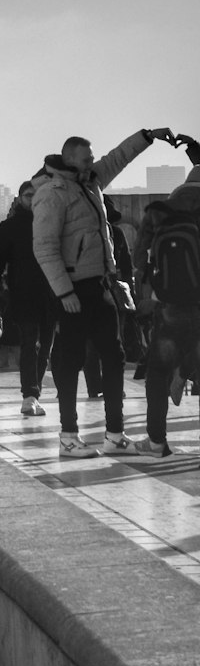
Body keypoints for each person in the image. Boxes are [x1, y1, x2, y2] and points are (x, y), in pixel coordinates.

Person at [33, 126, 177, 458]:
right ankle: (68, 435)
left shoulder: (90, 181)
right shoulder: (53, 193)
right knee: (69, 361)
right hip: (73, 289)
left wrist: (147, 136)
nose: (93, 163)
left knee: (113, 357)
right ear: (70, 160)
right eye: (87, 159)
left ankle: (114, 434)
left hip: (99, 285)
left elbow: (118, 158)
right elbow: (44, 247)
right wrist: (64, 291)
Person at [132, 144, 200, 455]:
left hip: (172, 305)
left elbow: (139, 260)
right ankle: (186, 369)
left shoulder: (169, 206)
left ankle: (156, 441)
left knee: (157, 373)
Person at [0, 182, 57, 417]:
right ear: (19, 198)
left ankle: (33, 394)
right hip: (25, 296)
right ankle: (30, 394)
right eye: (29, 196)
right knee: (30, 344)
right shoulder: (11, 227)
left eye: (37, 196)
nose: (33, 200)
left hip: (49, 296)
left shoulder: (51, 224)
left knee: (44, 346)